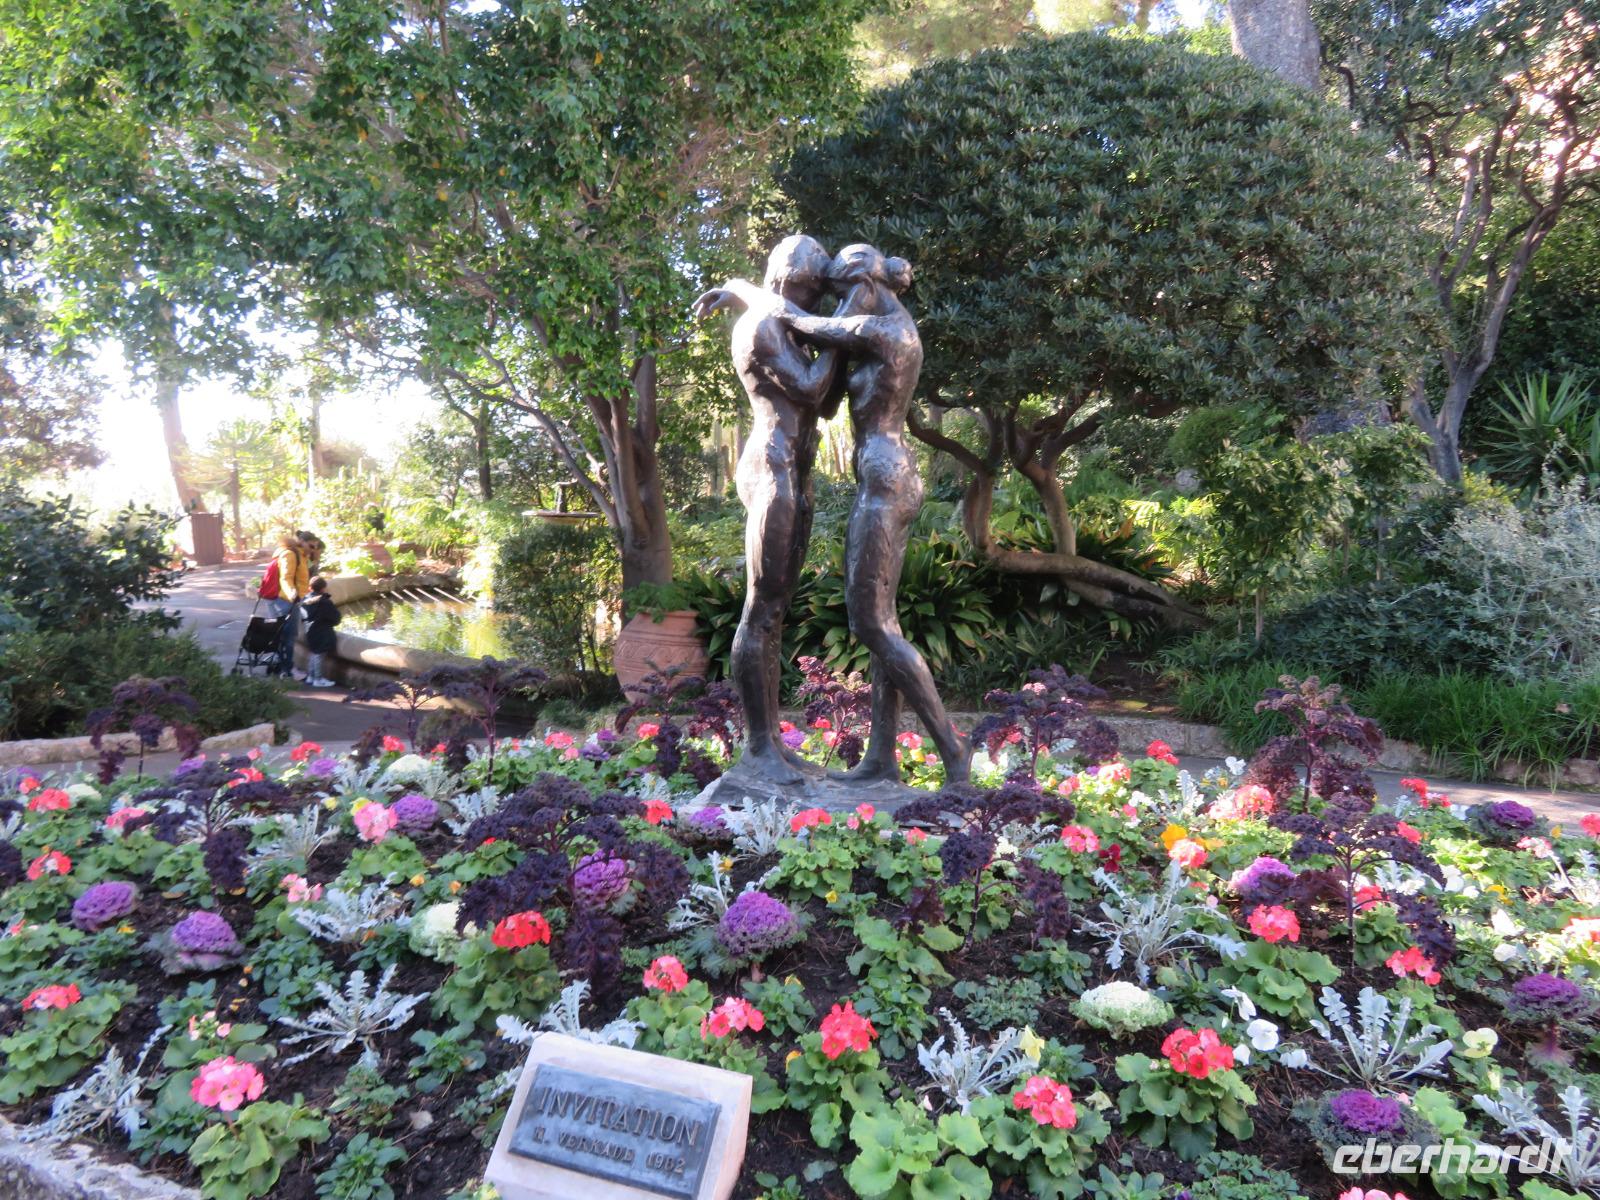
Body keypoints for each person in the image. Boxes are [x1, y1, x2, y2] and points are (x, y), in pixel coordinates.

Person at [772, 244, 971, 786]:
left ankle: (953, 749)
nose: (838, 304)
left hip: (886, 480)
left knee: (869, 623)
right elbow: (828, 396)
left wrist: (748, 294)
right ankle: (882, 758)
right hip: (880, 478)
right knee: (884, 622)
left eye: (842, 293)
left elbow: (797, 321)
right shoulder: (871, 328)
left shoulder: (890, 330)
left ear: (865, 285)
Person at [691, 236, 844, 785]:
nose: (816, 301)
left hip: (796, 472)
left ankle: (773, 743)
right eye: (809, 288)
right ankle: (757, 748)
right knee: (761, 606)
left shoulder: (784, 322)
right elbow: (808, 389)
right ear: (785, 279)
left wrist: (825, 333)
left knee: (777, 607)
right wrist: (846, 328)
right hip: (771, 468)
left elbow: (824, 404)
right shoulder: (761, 326)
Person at [266, 534, 310, 678]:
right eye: (312, 546)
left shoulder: (300, 555)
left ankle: (283, 668)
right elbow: (285, 578)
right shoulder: (290, 554)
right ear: (302, 542)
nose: (314, 549)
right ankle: (288, 670)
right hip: (286, 601)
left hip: (290, 600)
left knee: (287, 636)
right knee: (288, 636)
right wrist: (292, 594)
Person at [300, 577, 341, 688]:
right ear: (323, 588)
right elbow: (336, 618)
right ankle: (318, 679)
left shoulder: (305, 600)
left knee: (313, 653)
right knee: (319, 655)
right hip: (323, 632)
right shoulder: (324, 602)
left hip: (309, 631)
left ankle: (311, 676)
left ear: (310, 587)